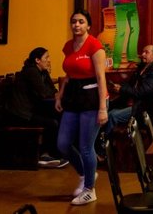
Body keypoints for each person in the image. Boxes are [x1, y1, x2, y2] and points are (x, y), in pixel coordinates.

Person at [55, 10, 109, 205]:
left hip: (92, 99)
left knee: (86, 147)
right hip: (73, 97)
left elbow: (101, 77)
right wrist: (59, 95)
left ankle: (89, 190)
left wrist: (103, 107)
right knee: (62, 143)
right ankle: (86, 173)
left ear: (88, 26)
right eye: (73, 22)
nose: (76, 25)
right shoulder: (68, 46)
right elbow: (68, 73)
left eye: (81, 22)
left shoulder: (95, 46)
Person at [4, 47, 68, 168]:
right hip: (21, 114)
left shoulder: (42, 72)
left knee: (59, 115)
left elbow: (53, 91)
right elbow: (44, 93)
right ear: (37, 60)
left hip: (31, 110)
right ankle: (45, 155)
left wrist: (54, 91)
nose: (49, 60)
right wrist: (55, 94)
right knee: (52, 122)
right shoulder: (31, 71)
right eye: (46, 58)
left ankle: (56, 152)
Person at [104, 44, 153, 137]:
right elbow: (131, 84)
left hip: (142, 107)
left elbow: (142, 92)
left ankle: (105, 145)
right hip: (135, 103)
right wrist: (119, 87)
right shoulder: (143, 67)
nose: (143, 54)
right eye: (143, 52)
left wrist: (121, 89)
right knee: (108, 107)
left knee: (112, 115)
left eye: (146, 52)